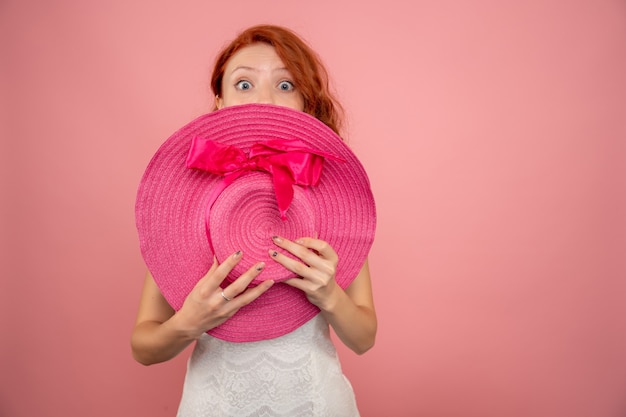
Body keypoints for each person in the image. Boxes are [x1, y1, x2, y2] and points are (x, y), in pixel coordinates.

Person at [131, 24, 376, 417]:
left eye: (285, 85)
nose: (264, 98)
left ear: (306, 103)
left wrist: (329, 294)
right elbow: (143, 346)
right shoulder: (185, 206)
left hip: (316, 404)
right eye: (244, 84)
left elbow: (364, 338)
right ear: (219, 101)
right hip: (213, 405)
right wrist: (188, 323)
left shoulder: (330, 201)